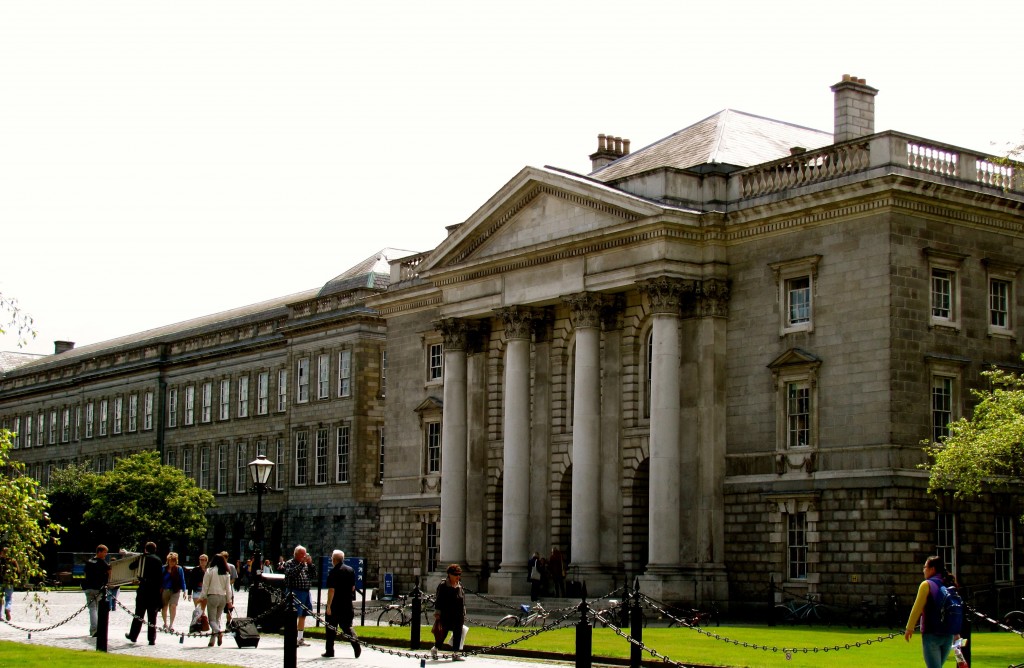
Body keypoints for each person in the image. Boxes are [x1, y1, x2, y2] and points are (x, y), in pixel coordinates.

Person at [904, 555, 957, 668]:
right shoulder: (949, 583)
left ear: (932, 569)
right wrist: (956, 632)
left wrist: (909, 627)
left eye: (925, 567)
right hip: (948, 634)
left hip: (931, 633)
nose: (923, 570)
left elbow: (917, 608)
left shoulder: (926, 584)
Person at [322, 549, 360, 658]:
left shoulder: (333, 572)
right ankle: (355, 643)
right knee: (347, 627)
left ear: (334, 560)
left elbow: (331, 590)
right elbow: (353, 587)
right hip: (347, 603)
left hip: (335, 604)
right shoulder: (350, 570)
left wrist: (329, 605)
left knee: (330, 628)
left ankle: (330, 651)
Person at [125, 541, 162, 645]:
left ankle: (133, 635)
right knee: (152, 616)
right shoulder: (158, 560)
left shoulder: (143, 558)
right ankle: (152, 638)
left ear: (145, 549)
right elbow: (160, 578)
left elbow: (131, 566)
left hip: (144, 588)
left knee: (139, 614)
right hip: (154, 590)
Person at [431, 563, 467, 661]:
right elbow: (439, 599)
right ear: (449, 574)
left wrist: (464, 612)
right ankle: (435, 648)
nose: (458, 577)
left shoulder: (460, 586)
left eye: (459, 574)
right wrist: (437, 612)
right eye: (455, 574)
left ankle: (455, 653)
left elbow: (462, 600)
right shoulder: (443, 585)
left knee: (458, 633)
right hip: (446, 613)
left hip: (458, 614)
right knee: (443, 633)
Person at [283, 544, 315, 647]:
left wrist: (310, 564)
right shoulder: (289, 563)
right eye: (302, 554)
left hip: (305, 592)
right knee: (294, 615)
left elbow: (313, 575)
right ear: (296, 554)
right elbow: (290, 574)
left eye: (305, 554)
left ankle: (300, 638)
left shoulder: (305, 564)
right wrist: (301, 564)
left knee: (303, 615)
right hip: (295, 592)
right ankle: (291, 638)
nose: (304, 556)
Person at [201, 552, 233, 646]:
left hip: (212, 596)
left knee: (212, 620)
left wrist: (202, 597)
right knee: (217, 619)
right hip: (222, 597)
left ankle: (218, 632)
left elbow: (205, 586)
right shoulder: (226, 573)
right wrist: (229, 601)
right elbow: (228, 589)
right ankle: (212, 641)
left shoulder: (210, 571)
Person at [82, 544, 110, 637]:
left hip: (88, 588)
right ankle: (97, 629)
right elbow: (109, 573)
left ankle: (93, 629)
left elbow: (85, 575)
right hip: (98, 589)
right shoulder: (102, 563)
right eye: (105, 552)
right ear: (99, 552)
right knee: (96, 609)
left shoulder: (89, 561)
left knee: (92, 609)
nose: (106, 554)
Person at [159, 552, 186, 633]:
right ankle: (165, 623)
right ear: (168, 561)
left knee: (173, 606)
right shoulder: (164, 568)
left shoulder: (179, 569)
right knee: (164, 607)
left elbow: (182, 580)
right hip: (165, 589)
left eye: (174, 561)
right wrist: (169, 573)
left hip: (175, 590)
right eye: (171, 561)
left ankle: (171, 624)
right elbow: (161, 580)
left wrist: (184, 591)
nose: (172, 563)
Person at [0, 546, 17, 622]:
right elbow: (17, 571)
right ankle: (7, 608)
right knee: (8, 598)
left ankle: (0, 615)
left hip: (0, 582)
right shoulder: (12, 561)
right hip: (9, 582)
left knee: (0, 599)